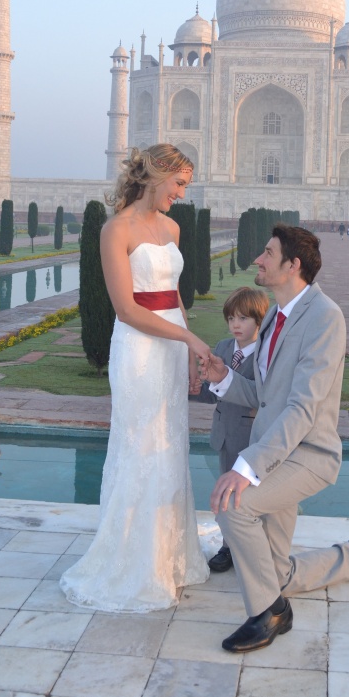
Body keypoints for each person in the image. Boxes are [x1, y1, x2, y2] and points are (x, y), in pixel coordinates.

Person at [200, 224, 349, 652]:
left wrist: (247, 466)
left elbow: (302, 408)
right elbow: (263, 395)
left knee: (231, 504)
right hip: (280, 454)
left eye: (268, 253)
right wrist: (224, 380)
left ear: (293, 265)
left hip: (307, 455)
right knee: (277, 577)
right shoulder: (277, 314)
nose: (258, 259)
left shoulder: (325, 317)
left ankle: (269, 614)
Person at [60, 144, 211, 613]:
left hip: (170, 345)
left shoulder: (171, 227)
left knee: (170, 444)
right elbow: (127, 309)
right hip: (140, 351)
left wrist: (188, 342)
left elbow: (173, 296)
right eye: (179, 184)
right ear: (154, 176)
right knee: (140, 445)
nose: (182, 194)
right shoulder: (116, 230)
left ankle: (169, 559)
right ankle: (133, 563)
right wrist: (186, 341)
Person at [198, 286, 270, 573]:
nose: (235, 325)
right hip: (224, 435)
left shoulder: (266, 355)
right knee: (226, 496)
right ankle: (228, 546)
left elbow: (260, 397)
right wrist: (191, 387)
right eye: (231, 319)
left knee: (251, 499)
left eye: (243, 319)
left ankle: (253, 548)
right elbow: (212, 392)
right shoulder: (224, 348)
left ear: (259, 320)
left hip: (251, 438)